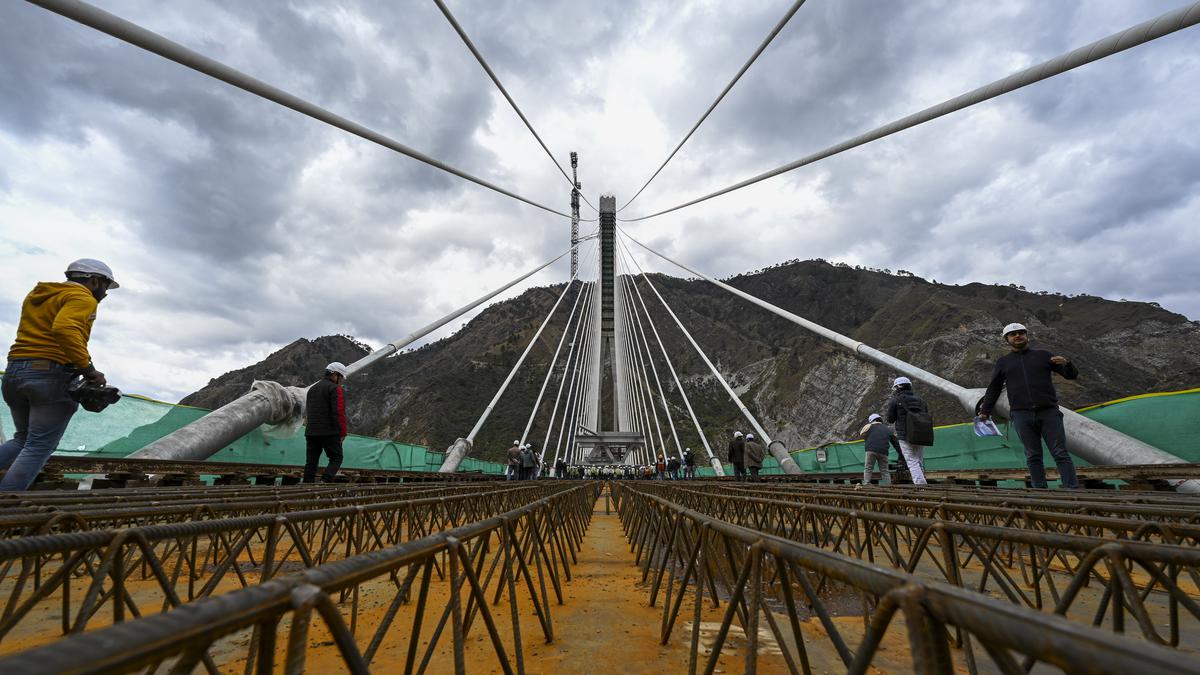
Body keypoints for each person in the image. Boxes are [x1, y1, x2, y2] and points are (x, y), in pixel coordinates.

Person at [0, 259, 119, 491]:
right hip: (49, 375)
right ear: (94, 281)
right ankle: (6, 510)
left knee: (22, 439)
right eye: (105, 286)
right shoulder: (83, 297)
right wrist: (88, 369)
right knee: (38, 445)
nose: (105, 294)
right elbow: (64, 329)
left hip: (15, 371)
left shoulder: (40, 295)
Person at [979, 323, 1080, 489]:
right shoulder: (1003, 362)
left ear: (1027, 336)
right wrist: (984, 411)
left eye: (1021, 333)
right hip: (1021, 415)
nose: (1017, 336)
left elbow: (1071, 376)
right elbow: (994, 388)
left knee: (1060, 452)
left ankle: (1072, 489)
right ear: (1007, 340)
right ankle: (1039, 490)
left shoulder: (1044, 356)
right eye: (1013, 334)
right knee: (1033, 455)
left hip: (1048, 412)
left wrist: (1067, 364)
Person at [304, 362, 348, 483]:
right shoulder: (335, 389)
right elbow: (338, 412)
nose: (341, 381)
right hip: (329, 431)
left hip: (311, 431)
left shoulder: (312, 389)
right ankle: (325, 481)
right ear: (334, 374)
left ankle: (307, 483)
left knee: (311, 461)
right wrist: (342, 432)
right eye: (341, 377)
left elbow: (309, 411)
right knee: (336, 457)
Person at [885, 377, 929, 485]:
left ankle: (922, 486)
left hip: (905, 435)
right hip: (921, 434)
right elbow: (925, 413)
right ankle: (922, 484)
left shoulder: (895, 400)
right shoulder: (921, 400)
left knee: (912, 461)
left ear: (897, 388)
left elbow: (890, 419)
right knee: (919, 461)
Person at [860, 413, 901, 486]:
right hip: (883, 452)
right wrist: (901, 454)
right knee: (885, 470)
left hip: (871, 450)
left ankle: (867, 483)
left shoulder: (869, 426)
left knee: (868, 468)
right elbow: (896, 443)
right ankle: (888, 485)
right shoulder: (887, 429)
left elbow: (862, 434)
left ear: (871, 420)